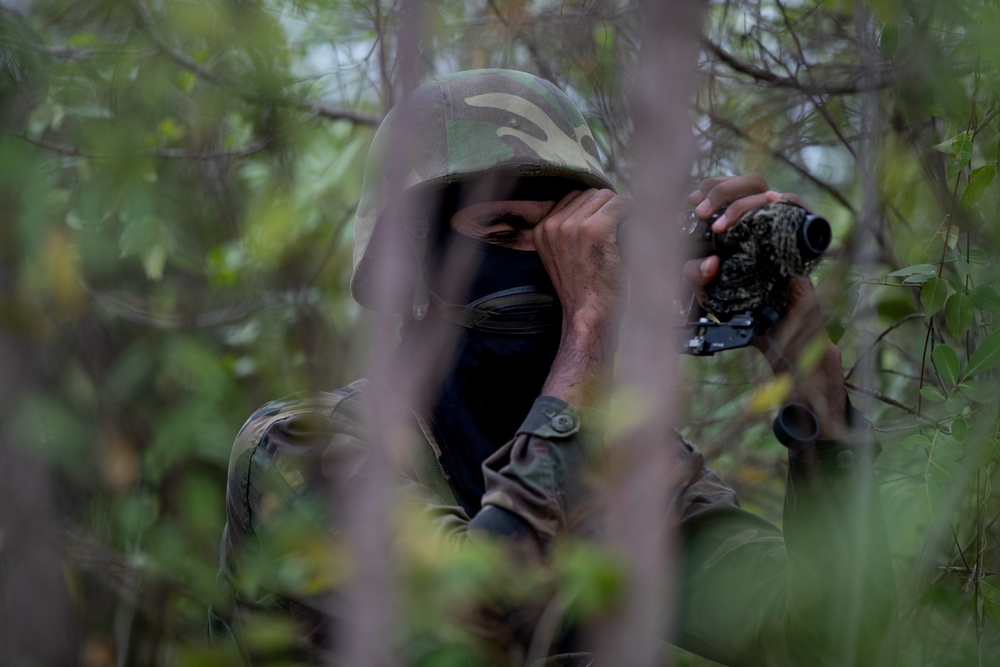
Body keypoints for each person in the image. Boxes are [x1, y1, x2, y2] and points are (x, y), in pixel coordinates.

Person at [211, 68, 897, 666]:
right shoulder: (298, 448)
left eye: (572, 242)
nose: (559, 272)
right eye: (507, 234)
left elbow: (821, 641)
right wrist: (590, 335)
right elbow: (472, 622)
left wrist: (818, 399)